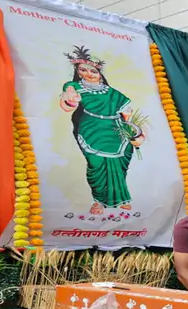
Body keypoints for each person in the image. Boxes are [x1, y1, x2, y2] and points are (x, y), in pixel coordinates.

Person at [60, 45, 146, 215]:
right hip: (91, 129)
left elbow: (127, 115)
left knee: (120, 166)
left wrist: (137, 134)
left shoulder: (113, 93)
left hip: (117, 131)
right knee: (96, 166)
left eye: (93, 71)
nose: (88, 74)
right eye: (83, 70)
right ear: (77, 71)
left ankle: (121, 199)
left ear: (100, 74)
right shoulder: (74, 86)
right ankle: (98, 201)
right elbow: (67, 104)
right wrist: (70, 99)